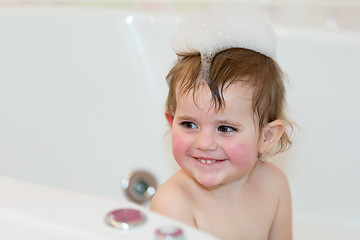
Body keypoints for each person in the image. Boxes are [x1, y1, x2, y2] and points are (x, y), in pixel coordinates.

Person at [150, 5, 293, 240]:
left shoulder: (274, 185)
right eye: (189, 124)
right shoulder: (174, 204)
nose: (204, 143)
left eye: (225, 128)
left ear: (266, 137)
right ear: (170, 121)